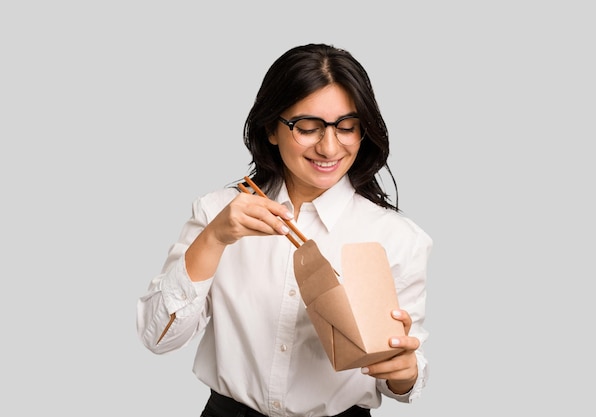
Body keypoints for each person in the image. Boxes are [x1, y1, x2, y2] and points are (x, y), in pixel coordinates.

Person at [136, 43, 433, 417]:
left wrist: (404, 373)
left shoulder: (398, 238)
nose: (329, 147)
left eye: (346, 127)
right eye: (307, 127)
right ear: (271, 129)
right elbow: (157, 337)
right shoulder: (218, 212)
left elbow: (403, 376)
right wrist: (213, 238)